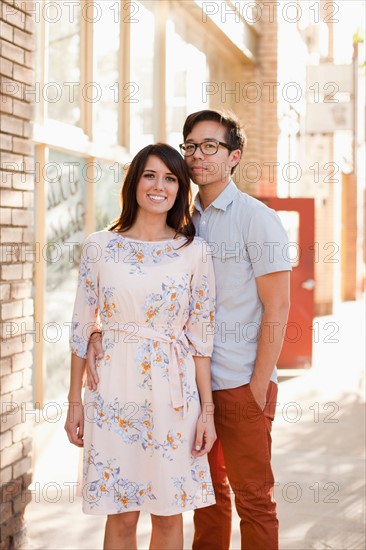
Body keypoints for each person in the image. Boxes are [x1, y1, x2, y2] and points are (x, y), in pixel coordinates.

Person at [86, 111, 291, 550]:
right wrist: (101, 331)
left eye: (211, 146)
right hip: (183, 388)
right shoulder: (183, 223)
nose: (199, 155)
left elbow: (279, 307)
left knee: (253, 500)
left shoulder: (257, 219)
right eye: (191, 146)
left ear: (234, 156)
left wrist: (258, 385)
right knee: (206, 500)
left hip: (238, 382)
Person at [64, 143, 217, 550]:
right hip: (113, 390)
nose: (159, 186)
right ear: (135, 181)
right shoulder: (100, 246)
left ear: (180, 189)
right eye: (150, 175)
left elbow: (201, 338)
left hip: (174, 394)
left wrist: (208, 412)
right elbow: (82, 328)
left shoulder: (194, 251)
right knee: (121, 514)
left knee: (169, 517)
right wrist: (73, 404)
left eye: (170, 178)